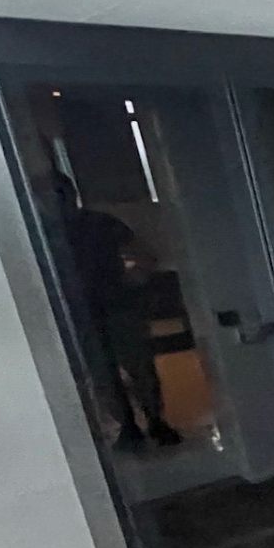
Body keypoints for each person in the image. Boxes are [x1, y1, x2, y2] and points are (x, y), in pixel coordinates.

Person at [53, 174, 181, 450]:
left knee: (135, 367)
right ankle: (133, 426)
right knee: (106, 373)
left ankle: (151, 422)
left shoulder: (97, 225)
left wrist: (134, 278)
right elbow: (145, 256)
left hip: (113, 305)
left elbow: (144, 255)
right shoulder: (54, 231)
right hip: (87, 310)